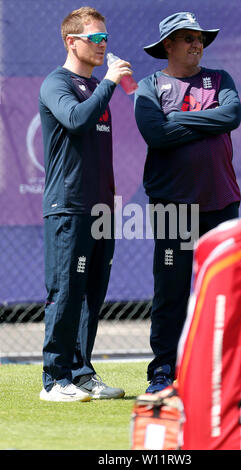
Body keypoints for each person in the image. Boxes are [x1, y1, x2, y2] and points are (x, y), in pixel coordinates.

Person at [134, 11, 241, 393]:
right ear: (168, 45)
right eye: (187, 38)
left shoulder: (220, 79)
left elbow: (232, 115)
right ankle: (163, 369)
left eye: (200, 38)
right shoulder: (149, 86)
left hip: (220, 202)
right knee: (172, 288)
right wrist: (206, 119)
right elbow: (156, 135)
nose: (197, 44)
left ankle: (223, 371)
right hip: (171, 206)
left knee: (226, 289)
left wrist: (179, 117)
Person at [39, 7, 133, 401]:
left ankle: (80, 372)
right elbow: (76, 120)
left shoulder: (98, 88)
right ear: (71, 41)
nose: (103, 45)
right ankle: (53, 380)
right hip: (69, 206)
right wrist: (111, 82)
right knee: (66, 291)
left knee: (91, 294)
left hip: (101, 210)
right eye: (95, 38)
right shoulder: (55, 83)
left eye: (105, 38)